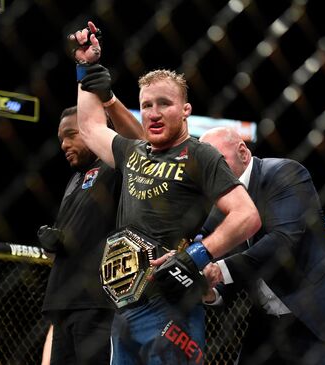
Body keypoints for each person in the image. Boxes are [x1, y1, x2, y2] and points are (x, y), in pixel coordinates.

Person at [70, 22, 261, 364]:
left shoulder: (201, 155)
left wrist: (195, 257)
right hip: (126, 302)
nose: (154, 113)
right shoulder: (133, 152)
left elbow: (247, 216)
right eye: (146, 105)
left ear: (185, 110)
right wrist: (86, 68)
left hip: (171, 304)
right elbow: (89, 127)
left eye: (164, 104)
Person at [198, 127, 325, 365]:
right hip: (270, 322)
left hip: (319, 314)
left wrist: (220, 270)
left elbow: (283, 241)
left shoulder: (284, 174)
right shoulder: (221, 207)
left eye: (218, 162)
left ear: (243, 153)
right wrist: (208, 289)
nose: (212, 173)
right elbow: (208, 249)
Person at [38, 104, 143, 364]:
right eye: (61, 138)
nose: (64, 144)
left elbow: (139, 143)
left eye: (71, 134)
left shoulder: (115, 166)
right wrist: (54, 239)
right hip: (63, 301)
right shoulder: (74, 180)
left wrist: (108, 102)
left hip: (98, 301)